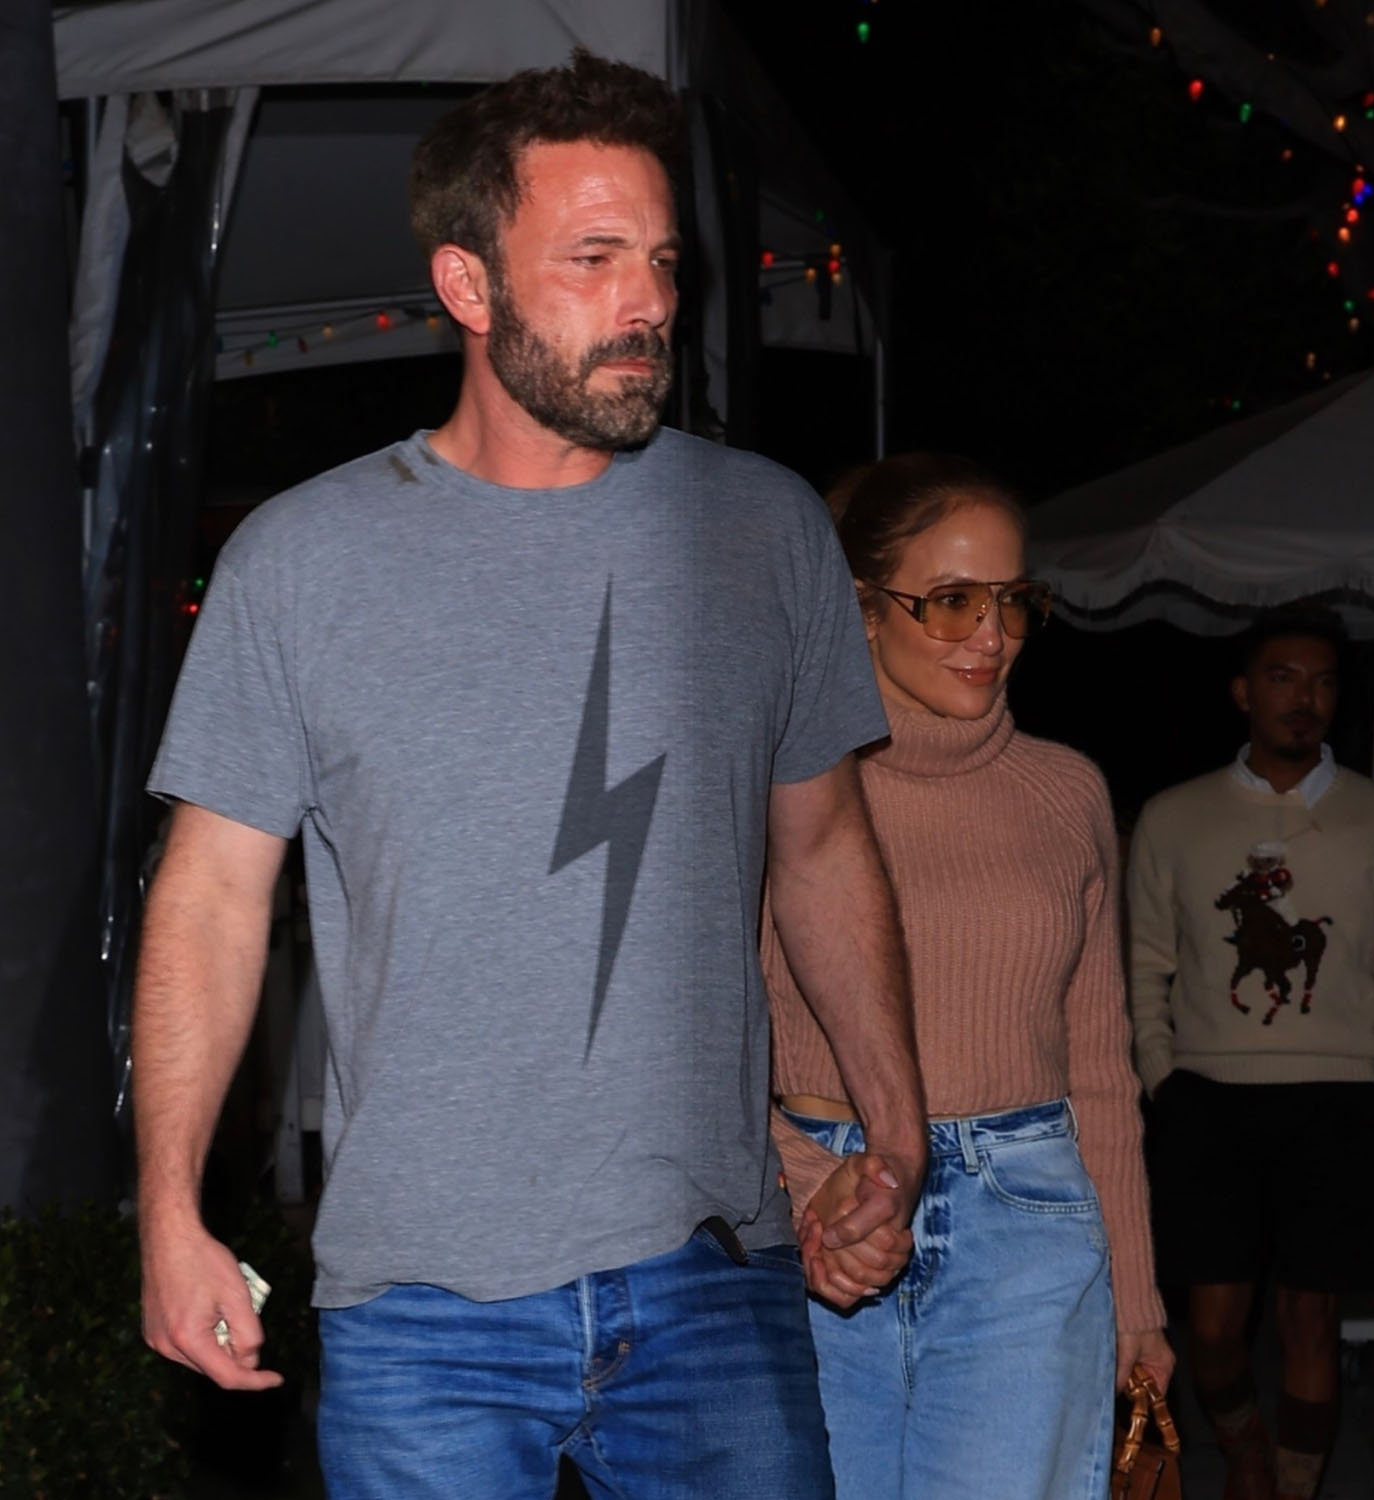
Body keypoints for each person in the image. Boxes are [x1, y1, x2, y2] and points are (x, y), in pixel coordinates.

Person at [133, 51, 928, 1500]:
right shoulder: (301, 561)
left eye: (664, 262)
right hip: (421, 1304)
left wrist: (898, 1128)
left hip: (711, 1275)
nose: (648, 303)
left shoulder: (765, 533)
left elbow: (822, 850)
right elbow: (208, 901)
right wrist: (168, 1211)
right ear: (468, 285)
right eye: (594, 259)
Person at [764, 453, 1173, 1500]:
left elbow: (1099, 1065)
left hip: (1026, 1221)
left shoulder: (1066, 792)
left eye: (1012, 601)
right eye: (951, 601)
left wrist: (1137, 1302)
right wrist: (800, 1176)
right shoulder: (778, 790)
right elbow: (696, 1034)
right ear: (863, 608)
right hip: (822, 1214)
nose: (991, 637)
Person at [1128, 607, 1374, 1500]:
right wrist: (1161, 1075)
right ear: (1242, 692)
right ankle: (1244, 1446)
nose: (1305, 698)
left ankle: (1288, 1488)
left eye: (1323, 681)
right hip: (1206, 1098)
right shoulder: (1174, 816)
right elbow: (1144, 961)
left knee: (1309, 1318)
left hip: (1336, 1095)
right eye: (1283, 678)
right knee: (1211, 1327)